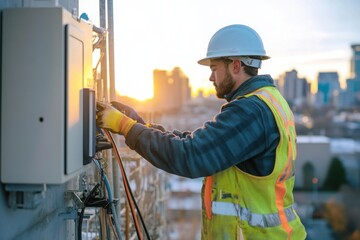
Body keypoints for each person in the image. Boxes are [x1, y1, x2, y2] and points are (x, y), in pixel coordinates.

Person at [96, 24, 307, 239]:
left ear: (235, 65)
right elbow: (199, 143)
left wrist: (125, 127)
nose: (211, 78)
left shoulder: (250, 111)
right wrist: (138, 125)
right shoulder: (269, 100)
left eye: (214, 69)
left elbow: (191, 155)